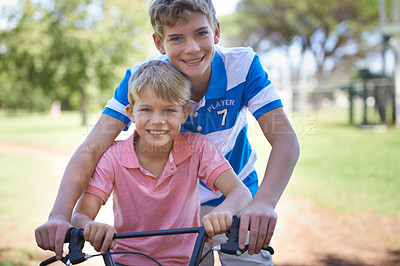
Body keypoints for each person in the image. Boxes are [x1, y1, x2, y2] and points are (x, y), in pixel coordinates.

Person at [35, 0, 300, 265]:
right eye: (176, 38)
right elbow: (92, 148)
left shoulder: (242, 66)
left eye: (201, 33)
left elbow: (285, 139)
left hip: (234, 192)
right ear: (159, 43)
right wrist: (59, 214)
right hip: (178, 207)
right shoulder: (143, 79)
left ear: (216, 31)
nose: (192, 48)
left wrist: (263, 203)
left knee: (252, 260)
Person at [70, 60, 252, 265]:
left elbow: (240, 192)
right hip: (128, 260)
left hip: (189, 260)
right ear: (131, 113)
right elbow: (80, 216)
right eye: (146, 110)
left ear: (184, 113)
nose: (158, 120)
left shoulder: (198, 148)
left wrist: (222, 211)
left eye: (169, 110)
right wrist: (91, 226)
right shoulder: (113, 157)